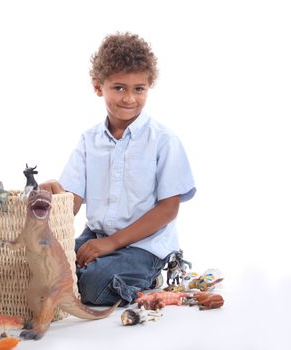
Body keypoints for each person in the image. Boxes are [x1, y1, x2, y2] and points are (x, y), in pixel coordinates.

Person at [40, 33, 196, 306]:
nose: (129, 98)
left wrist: (112, 244)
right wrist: (56, 196)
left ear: (149, 87)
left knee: (91, 286)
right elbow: (71, 202)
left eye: (139, 89)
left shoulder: (163, 140)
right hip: (97, 238)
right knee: (43, 265)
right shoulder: (90, 141)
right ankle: (98, 270)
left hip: (144, 247)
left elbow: (168, 208)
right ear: (99, 87)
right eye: (119, 88)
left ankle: (151, 277)